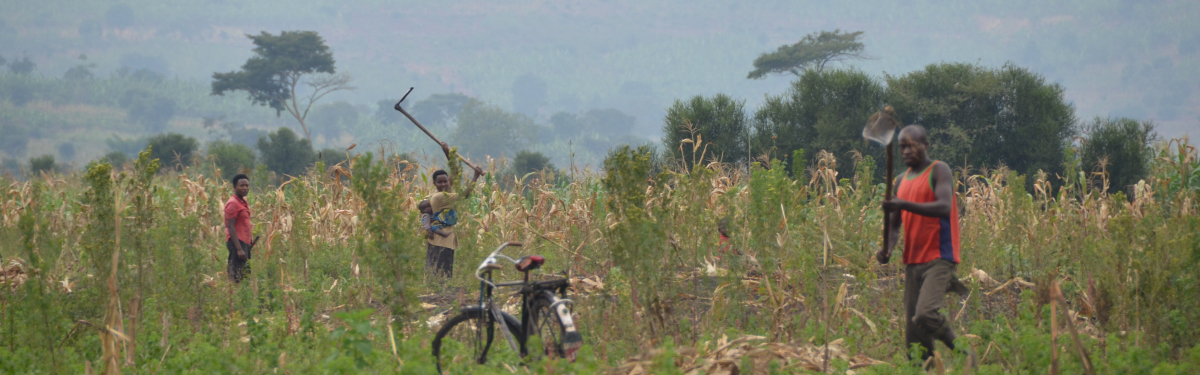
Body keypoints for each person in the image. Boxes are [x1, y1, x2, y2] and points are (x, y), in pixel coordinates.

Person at [879, 125, 973, 365]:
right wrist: (887, 249)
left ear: (925, 146)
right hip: (913, 261)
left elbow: (943, 207)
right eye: (902, 146)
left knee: (925, 314)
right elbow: (893, 226)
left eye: (912, 145)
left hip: (939, 257)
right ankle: (926, 368)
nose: (907, 151)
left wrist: (902, 203)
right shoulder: (900, 180)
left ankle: (966, 354)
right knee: (914, 335)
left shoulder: (938, 170)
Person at [426, 142, 484, 277]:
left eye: (445, 181)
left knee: (444, 275)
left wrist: (447, 152)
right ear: (434, 184)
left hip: (446, 241)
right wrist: (475, 176)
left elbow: (455, 173)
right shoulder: (440, 197)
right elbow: (465, 195)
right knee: (440, 276)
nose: (444, 184)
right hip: (440, 242)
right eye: (439, 182)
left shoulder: (447, 191)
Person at [225, 174, 258, 284]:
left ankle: (242, 299)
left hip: (244, 243)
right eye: (241, 185)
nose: (245, 188)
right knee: (235, 276)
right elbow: (231, 227)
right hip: (237, 243)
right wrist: (239, 249)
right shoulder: (233, 203)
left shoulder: (242, 202)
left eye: (247, 185)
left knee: (245, 275)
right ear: (234, 187)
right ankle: (233, 299)